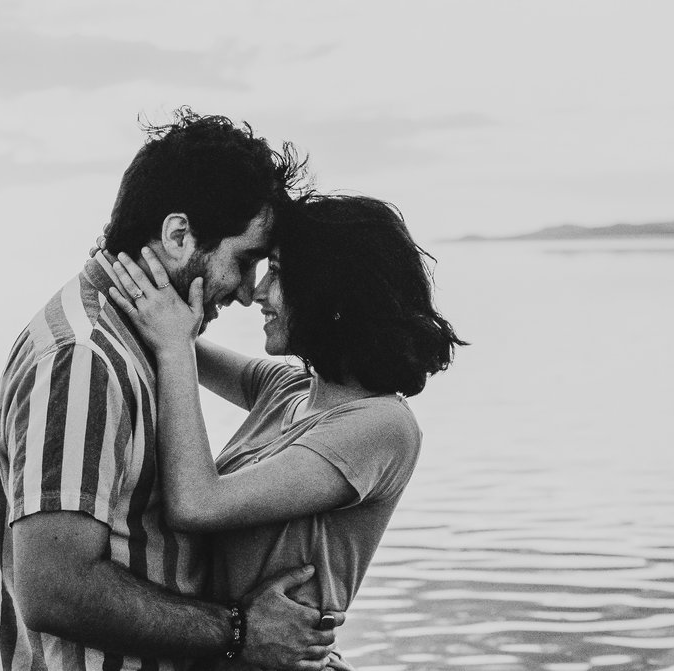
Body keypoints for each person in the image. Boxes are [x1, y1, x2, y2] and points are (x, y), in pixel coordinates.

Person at [0, 110, 342, 671]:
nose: (250, 293)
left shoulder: (141, 339)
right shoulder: (83, 359)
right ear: (179, 236)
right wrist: (239, 632)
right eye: (245, 260)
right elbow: (54, 587)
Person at [107, 194, 467, 670]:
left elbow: (196, 502)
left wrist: (174, 345)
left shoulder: (382, 427)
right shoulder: (288, 388)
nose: (256, 293)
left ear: (331, 293)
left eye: (276, 272)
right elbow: (175, 337)